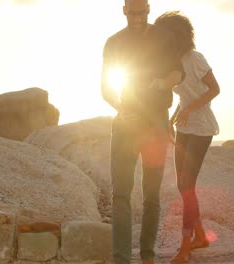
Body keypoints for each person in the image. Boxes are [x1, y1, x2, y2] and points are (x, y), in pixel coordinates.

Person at [100, 1, 183, 263]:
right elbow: (106, 87)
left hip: (157, 122)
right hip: (127, 121)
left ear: (149, 9)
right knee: (121, 193)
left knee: (152, 194)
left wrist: (163, 81)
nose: (139, 17)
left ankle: (148, 256)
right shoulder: (113, 42)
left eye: (144, 12)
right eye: (134, 12)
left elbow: (178, 73)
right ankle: (121, 259)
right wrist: (120, 108)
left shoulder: (163, 38)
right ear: (124, 10)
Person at [154, 11, 220, 264]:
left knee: (187, 186)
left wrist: (190, 108)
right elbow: (183, 95)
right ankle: (201, 236)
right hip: (184, 127)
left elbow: (215, 89)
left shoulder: (195, 58)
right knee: (183, 186)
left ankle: (184, 248)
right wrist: (175, 115)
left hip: (202, 127)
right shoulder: (170, 61)